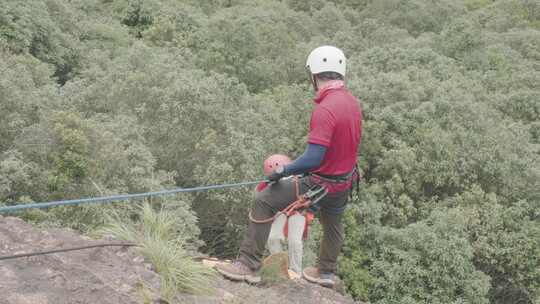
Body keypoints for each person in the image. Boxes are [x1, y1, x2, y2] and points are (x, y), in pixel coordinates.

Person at [216, 45, 363, 288]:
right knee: (333, 223)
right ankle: (325, 272)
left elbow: (314, 158)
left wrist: (283, 171)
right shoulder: (352, 103)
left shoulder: (325, 109)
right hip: (343, 182)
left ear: (315, 75)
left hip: (319, 182)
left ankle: (247, 264)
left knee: (264, 199)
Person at [259, 154, 315, 277]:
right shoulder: (269, 181)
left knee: (295, 241)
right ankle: (279, 267)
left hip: (298, 211)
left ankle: (295, 271)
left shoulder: (300, 177)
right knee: (273, 237)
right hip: (280, 211)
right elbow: (260, 195)